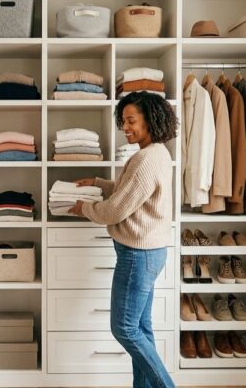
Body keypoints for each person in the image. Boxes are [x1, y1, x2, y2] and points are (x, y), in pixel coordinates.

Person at [70, 91, 177, 388]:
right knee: (142, 327)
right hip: (152, 252)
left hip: (137, 255)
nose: (125, 127)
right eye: (123, 121)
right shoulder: (157, 153)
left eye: (131, 120)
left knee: (125, 329)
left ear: (150, 119)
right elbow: (127, 190)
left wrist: (85, 208)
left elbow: (115, 210)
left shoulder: (144, 159)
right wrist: (98, 183)